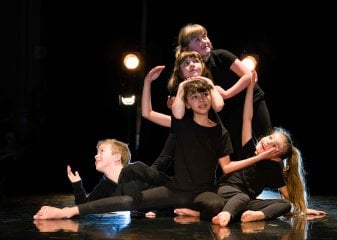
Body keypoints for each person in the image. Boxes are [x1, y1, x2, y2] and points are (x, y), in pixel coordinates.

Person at [34, 78, 272, 220]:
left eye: (204, 95)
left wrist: (258, 157)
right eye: (195, 97)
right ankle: (67, 212)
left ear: (210, 97)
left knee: (215, 205)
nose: (201, 100)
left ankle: (192, 212)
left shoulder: (220, 132)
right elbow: (175, 110)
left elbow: (227, 166)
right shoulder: (182, 123)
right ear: (188, 102)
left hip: (203, 190)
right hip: (176, 188)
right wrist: (181, 87)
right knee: (128, 201)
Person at [176, 79, 326, 226]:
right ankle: (225, 215)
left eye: (273, 145)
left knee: (284, 205)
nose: (267, 141)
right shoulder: (248, 150)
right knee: (241, 197)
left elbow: (286, 194)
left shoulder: (274, 169)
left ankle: (257, 215)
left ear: (277, 159)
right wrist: (250, 88)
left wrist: (303, 209)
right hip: (225, 191)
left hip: (244, 201)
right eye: (270, 137)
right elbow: (247, 118)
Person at [174, 23, 273, 157]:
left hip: (252, 100)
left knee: (265, 137)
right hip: (228, 110)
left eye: (205, 37)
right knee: (238, 148)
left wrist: (227, 94)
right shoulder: (192, 70)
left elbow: (248, 75)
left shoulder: (221, 55)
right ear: (186, 48)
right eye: (197, 40)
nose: (204, 41)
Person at [67, 138, 170, 207]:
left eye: (101, 151)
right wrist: (77, 185)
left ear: (117, 157)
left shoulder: (135, 169)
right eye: (97, 152)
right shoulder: (105, 185)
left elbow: (171, 185)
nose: (96, 156)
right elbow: (83, 207)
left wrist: (159, 211)